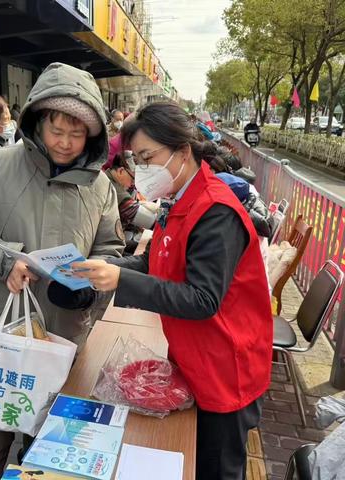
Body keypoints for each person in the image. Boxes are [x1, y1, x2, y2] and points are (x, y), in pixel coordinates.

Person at [0, 62, 124, 480]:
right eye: (58, 130)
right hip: (1, 333)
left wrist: (93, 286)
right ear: (37, 121)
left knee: (47, 445)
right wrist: (6, 258)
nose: (66, 143)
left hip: (65, 334)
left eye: (78, 134)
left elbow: (110, 246)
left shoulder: (100, 185)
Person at [72, 102, 273, 480]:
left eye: (148, 158)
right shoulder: (179, 202)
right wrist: (106, 269)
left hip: (225, 370)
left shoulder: (215, 212)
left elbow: (202, 300)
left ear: (182, 152)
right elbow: (155, 265)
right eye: (137, 161)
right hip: (196, 356)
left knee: (217, 468)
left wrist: (120, 280)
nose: (142, 170)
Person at [105, 153, 157, 253]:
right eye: (134, 179)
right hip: (105, 244)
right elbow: (137, 214)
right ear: (121, 171)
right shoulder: (113, 189)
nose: (135, 183)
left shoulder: (113, 179)